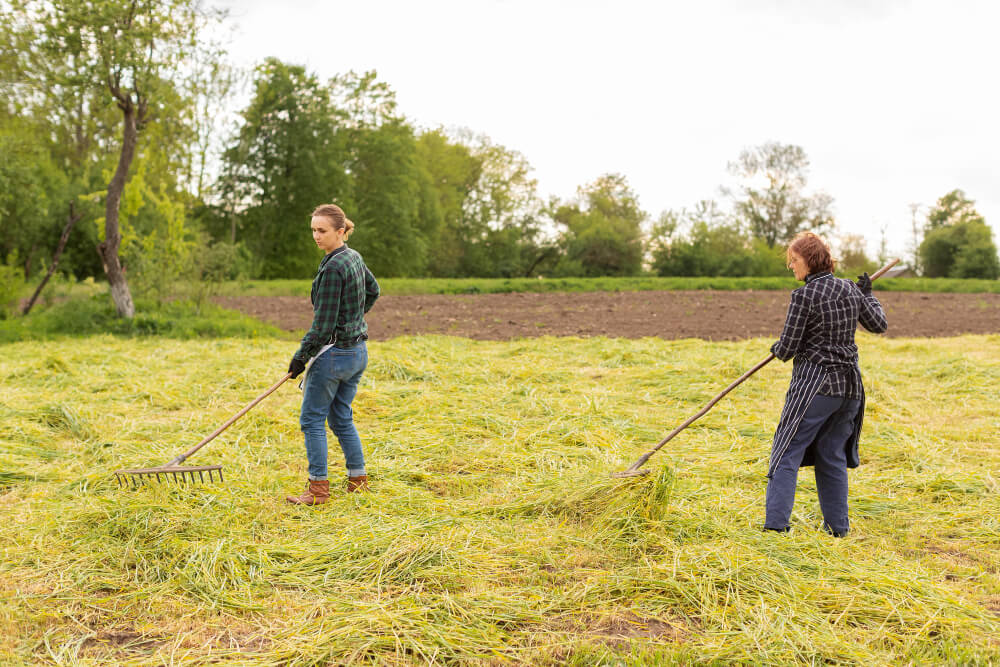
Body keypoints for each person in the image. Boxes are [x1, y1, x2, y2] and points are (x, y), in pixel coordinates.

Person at [764, 232, 887, 536]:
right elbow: (879, 324)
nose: (792, 267)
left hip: (815, 387)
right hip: (849, 389)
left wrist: (777, 348)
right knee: (831, 455)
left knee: (785, 451)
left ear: (809, 260)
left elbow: (789, 346)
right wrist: (867, 294)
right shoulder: (850, 289)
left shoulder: (803, 296)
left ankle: (775, 530)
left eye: (794, 261)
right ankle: (838, 530)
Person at [285, 204, 380, 505]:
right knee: (341, 417)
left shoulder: (334, 268)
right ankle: (358, 480)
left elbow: (323, 326)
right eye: (313, 229)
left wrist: (300, 357)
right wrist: (353, 319)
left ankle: (318, 489)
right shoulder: (353, 257)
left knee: (312, 420)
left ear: (340, 231)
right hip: (357, 352)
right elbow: (374, 290)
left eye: (322, 230)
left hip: (334, 355)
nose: (316, 235)